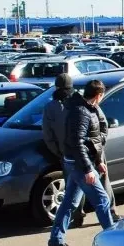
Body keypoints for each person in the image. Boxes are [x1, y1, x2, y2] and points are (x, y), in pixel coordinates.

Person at [46, 80, 114, 246]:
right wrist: (88, 169)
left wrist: (98, 161)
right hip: (79, 165)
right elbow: (77, 143)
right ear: (99, 95)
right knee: (102, 200)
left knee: (70, 202)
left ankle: (55, 241)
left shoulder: (84, 108)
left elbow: (92, 141)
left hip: (78, 163)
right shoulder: (81, 112)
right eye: (102, 95)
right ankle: (113, 243)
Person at [41, 74, 85, 226]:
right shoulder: (80, 102)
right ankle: (83, 214)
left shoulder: (50, 107)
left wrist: (58, 151)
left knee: (72, 187)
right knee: (88, 186)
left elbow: (47, 135)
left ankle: (74, 217)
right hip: (82, 152)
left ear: (56, 87)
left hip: (66, 155)